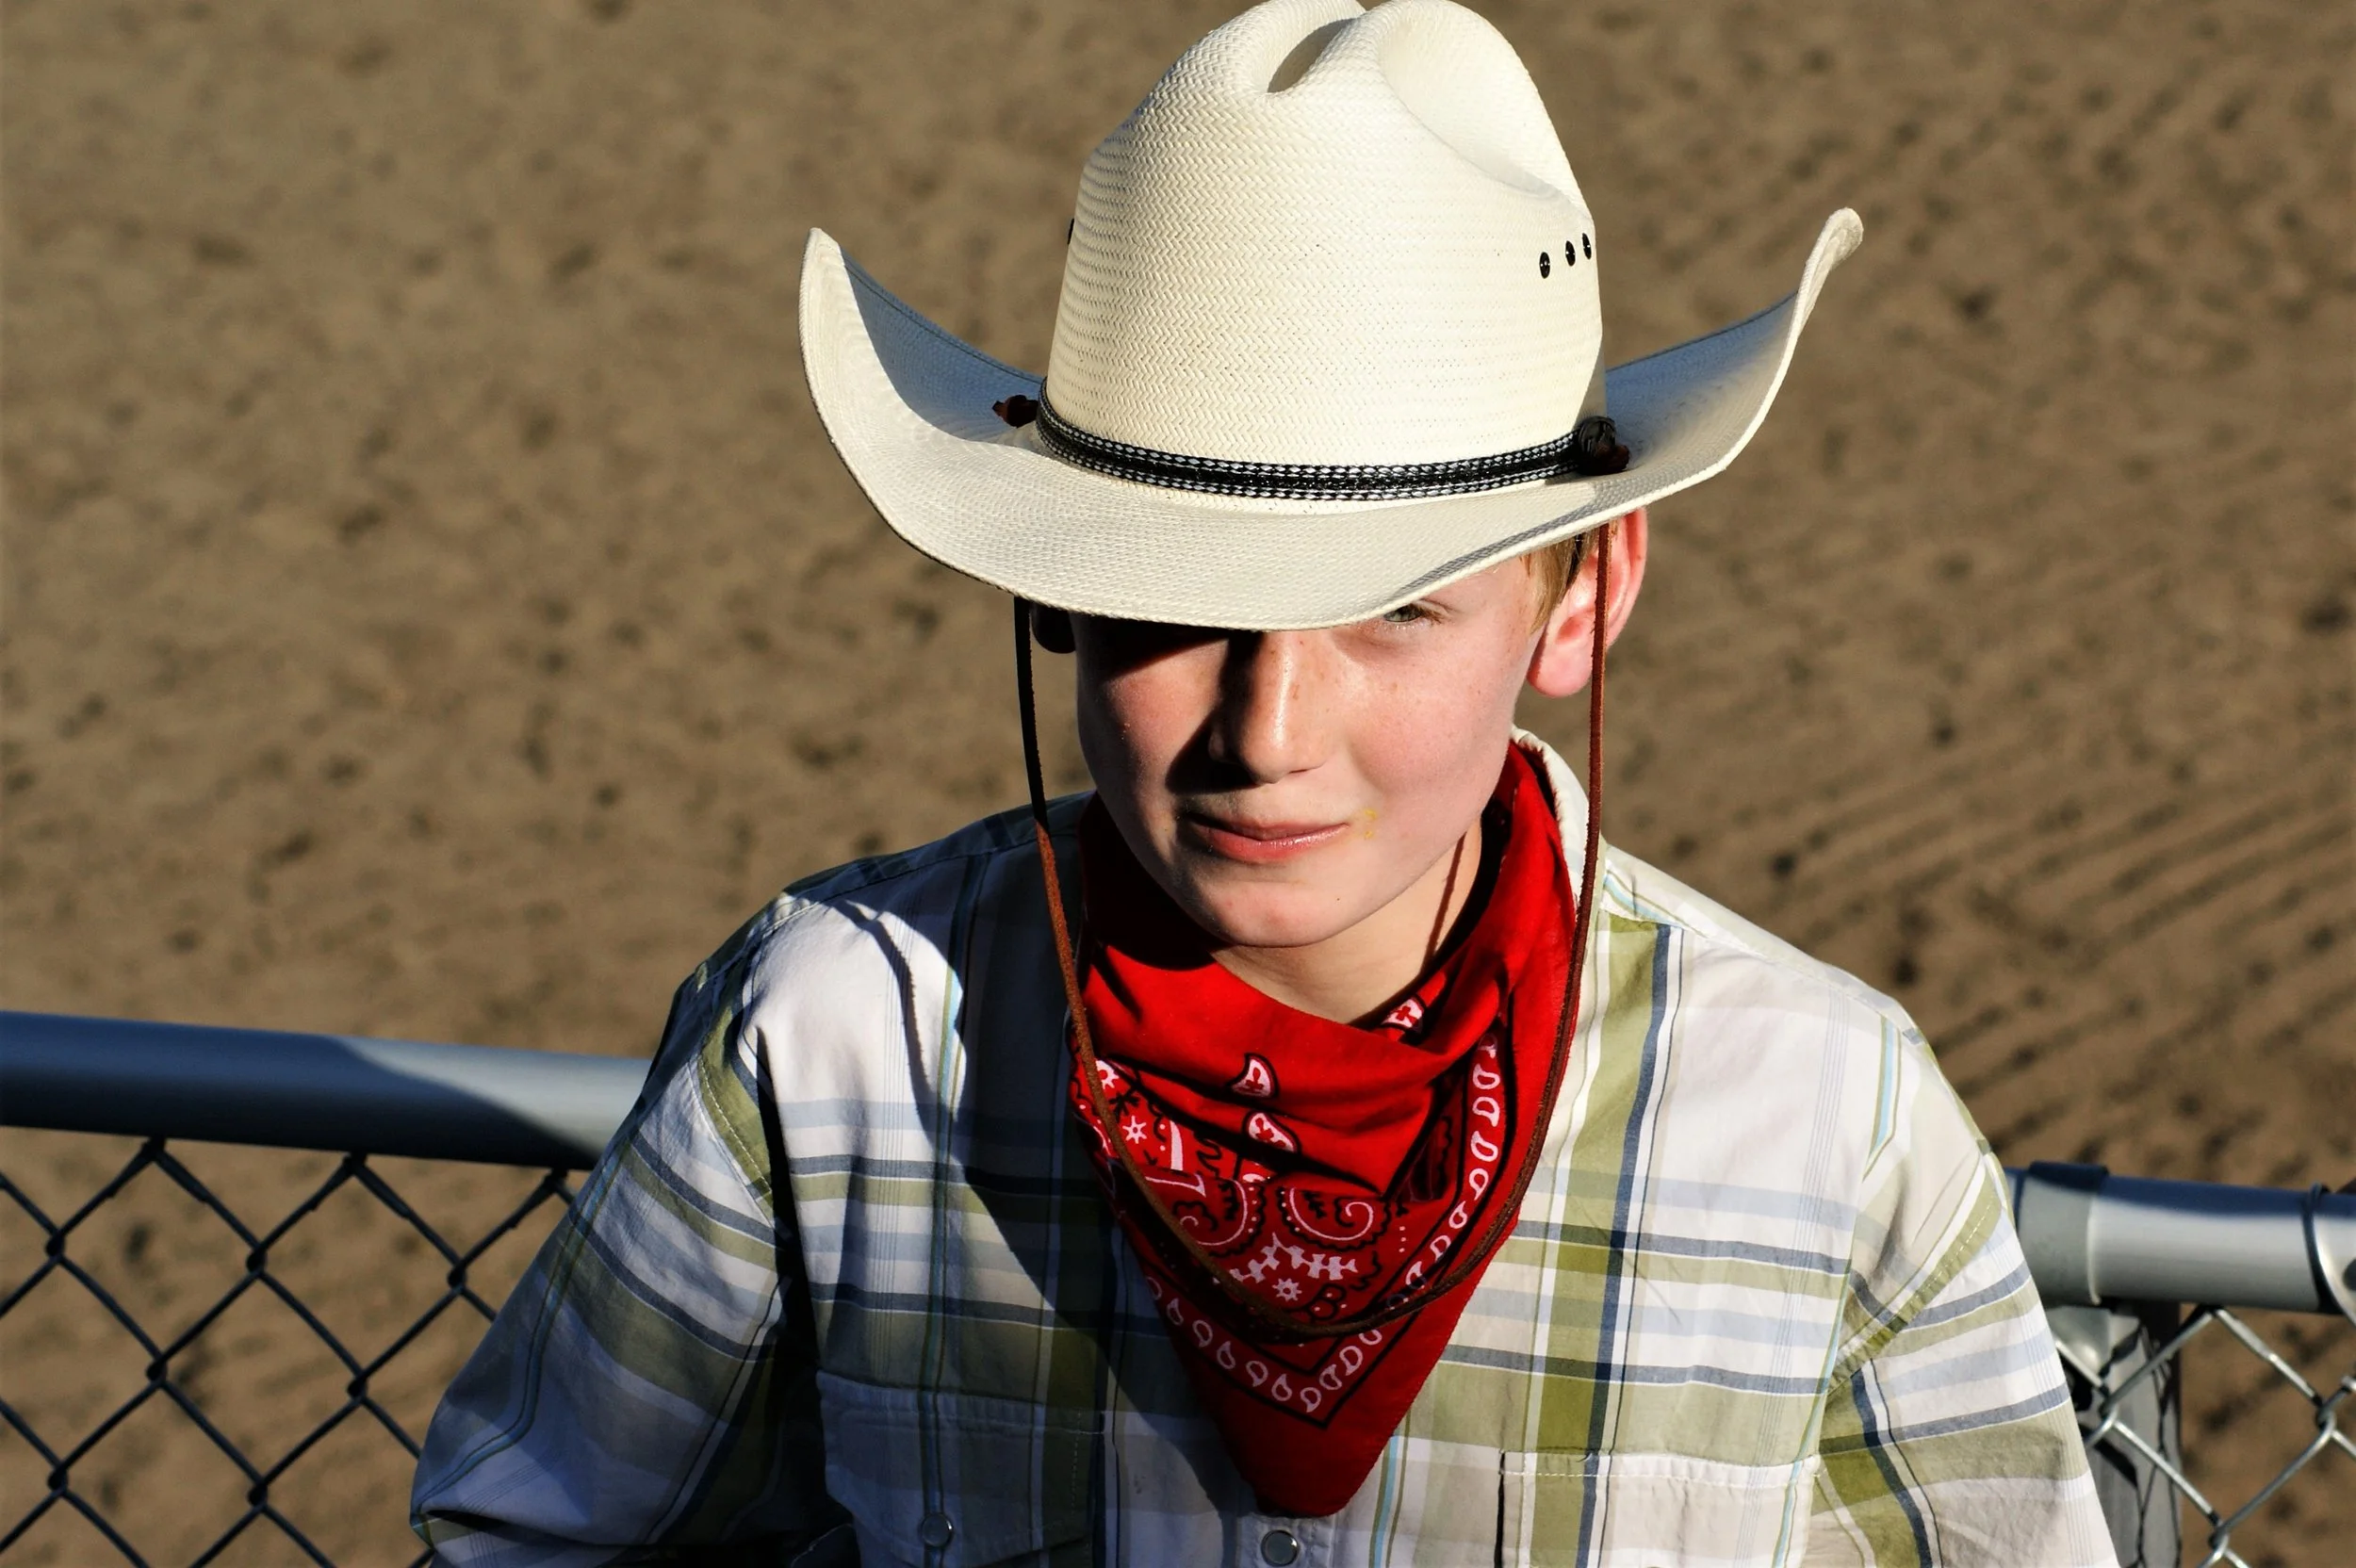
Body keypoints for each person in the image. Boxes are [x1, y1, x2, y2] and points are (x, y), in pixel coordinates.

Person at [412, 3, 2116, 1562]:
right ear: (1051, 594)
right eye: (1173, 608)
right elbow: (541, 1536)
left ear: (1581, 598)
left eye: (1390, 612)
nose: (1266, 728)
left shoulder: (1821, 1117)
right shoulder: (830, 1043)